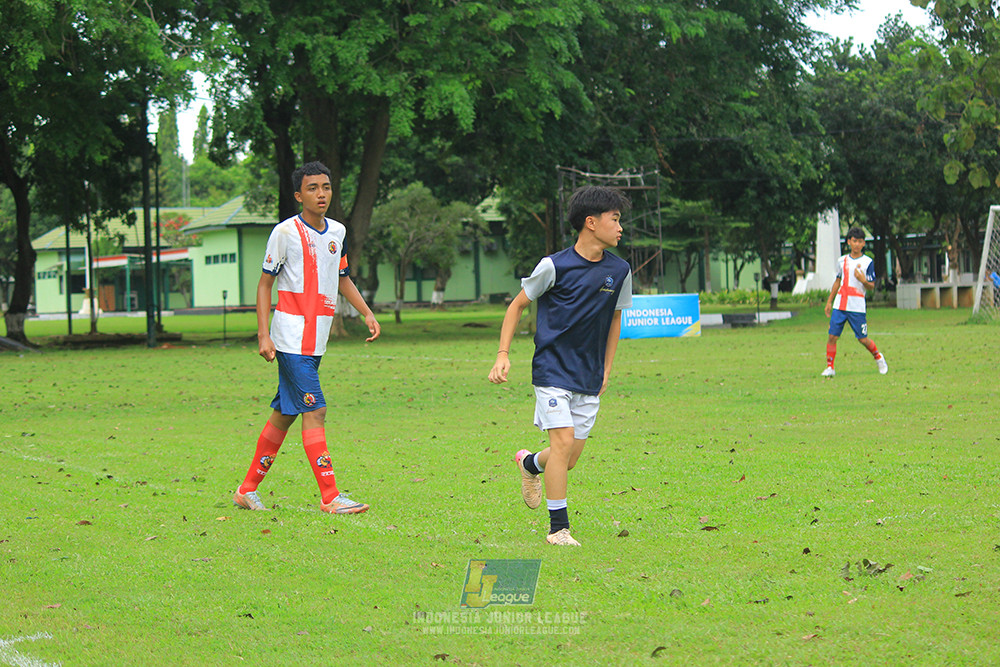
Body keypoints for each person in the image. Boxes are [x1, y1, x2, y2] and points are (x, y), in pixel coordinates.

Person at [488, 185, 633, 546]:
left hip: (588, 374)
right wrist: (503, 354)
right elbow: (517, 306)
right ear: (590, 222)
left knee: (566, 459)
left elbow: (615, 320)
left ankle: (530, 464)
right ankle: (558, 529)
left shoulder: (620, 270)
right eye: (615, 220)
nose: (620, 228)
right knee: (564, 442)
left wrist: (607, 369)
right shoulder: (554, 266)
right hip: (552, 370)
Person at [233, 161, 381, 514]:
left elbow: (342, 277)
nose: (321, 194)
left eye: (326, 187)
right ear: (299, 195)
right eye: (313, 188)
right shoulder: (284, 233)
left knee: (284, 414)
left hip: (316, 341)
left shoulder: (338, 233)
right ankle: (330, 496)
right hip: (289, 339)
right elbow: (265, 283)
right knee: (317, 410)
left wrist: (366, 311)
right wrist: (263, 335)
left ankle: (246, 489)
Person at [822, 226, 887, 377]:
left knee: (863, 339)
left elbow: (871, 286)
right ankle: (830, 367)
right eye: (854, 241)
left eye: (860, 241)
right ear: (849, 242)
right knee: (832, 336)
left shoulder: (867, 262)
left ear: (863, 243)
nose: (857, 244)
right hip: (840, 305)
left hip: (856, 307)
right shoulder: (842, 261)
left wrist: (863, 280)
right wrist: (829, 302)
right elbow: (837, 281)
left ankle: (878, 357)